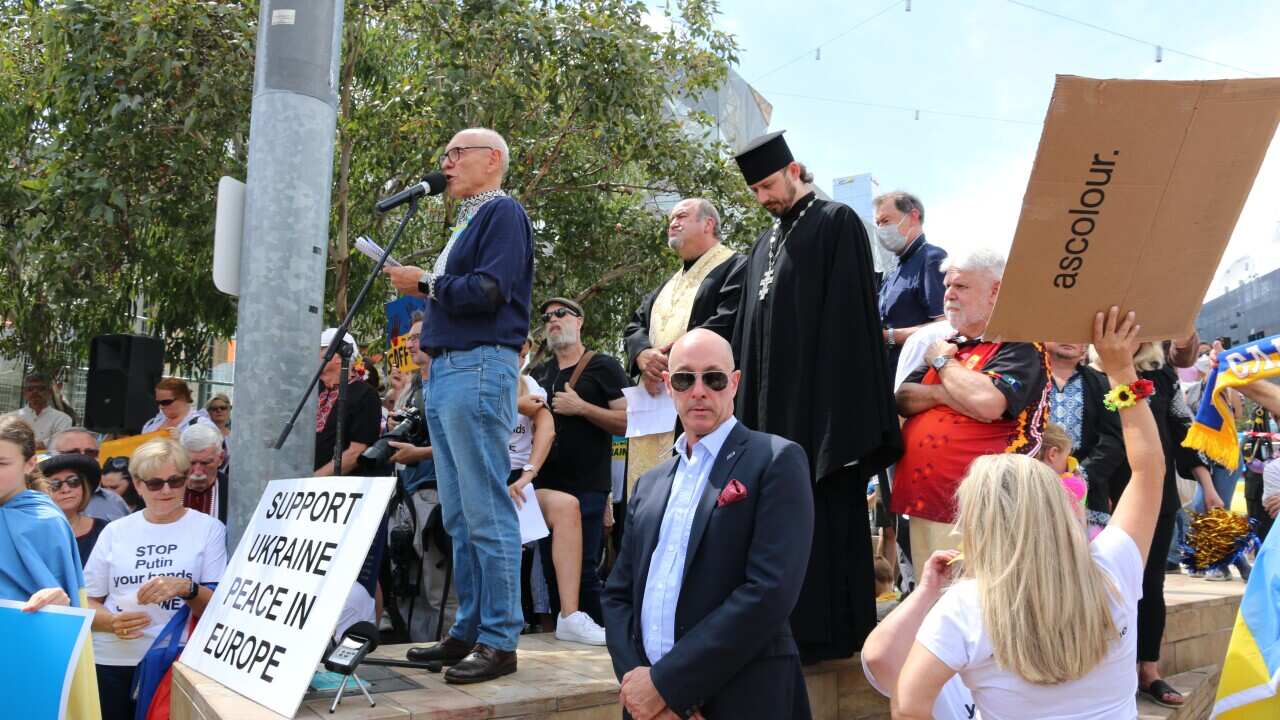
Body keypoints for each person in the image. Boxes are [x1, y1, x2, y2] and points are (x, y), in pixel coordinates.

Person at [895, 308, 1164, 720]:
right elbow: (1148, 470)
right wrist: (1122, 368)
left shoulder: (966, 606)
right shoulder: (1113, 570)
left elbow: (908, 704)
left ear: (978, 525)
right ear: (1058, 503)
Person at [730, 130, 902, 661]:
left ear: (794, 169)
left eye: (767, 185)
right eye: (754, 191)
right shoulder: (764, 243)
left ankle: (829, 634)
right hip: (767, 416)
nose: (764, 198)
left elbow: (850, 325)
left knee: (824, 517)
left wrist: (838, 424)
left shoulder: (835, 222)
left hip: (819, 417)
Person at [603, 329, 815, 719]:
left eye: (713, 378)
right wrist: (642, 691)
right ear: (669, 386)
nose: (699, 390)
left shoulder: (776, 460)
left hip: (741, 700)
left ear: (734, 383)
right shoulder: (648, 484)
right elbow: (617, 596)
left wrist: (667, 686)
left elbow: (769, 592)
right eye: (685, 378)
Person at [385, 127, 533, 684]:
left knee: (485, 507)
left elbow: (490, 289)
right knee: (460, 512)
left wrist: (423, 281)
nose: (445, 163)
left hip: (477, 365)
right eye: (444, 154)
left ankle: (499, 637)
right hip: (450, 369)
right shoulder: (470, 219)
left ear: (491, 159)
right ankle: (469, 629)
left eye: (455, 154)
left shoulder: (503, 213)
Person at [892, 248, 1050, 573]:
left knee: (978, 613)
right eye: (948, 285)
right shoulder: (951, 344)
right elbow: (904, 398)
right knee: (936, 609)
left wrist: (942, 364)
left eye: (961, 287)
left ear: (996, 291)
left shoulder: (1018, 343)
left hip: (985, 511)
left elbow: (989, 403)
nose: (948, 294)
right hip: (928, 505)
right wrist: (946, 393)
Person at [1084, 341, 1209, 708]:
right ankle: (1109, 671)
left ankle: (1149, 671)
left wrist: (1206, 482)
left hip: (1158, 497)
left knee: (1150, 585)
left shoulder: (1162, 376)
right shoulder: (1090, 376)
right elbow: (1095, 439)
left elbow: (1183, 430)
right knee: (1104, 586)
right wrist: (1096, 490)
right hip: (1106, 497)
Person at [85, 437, 226, 720]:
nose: (166, 490)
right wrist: (112, 622)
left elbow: (218, 607)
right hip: (113, 658)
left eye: (175, 481)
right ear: (137, 485)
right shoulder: (115, 531)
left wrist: (186, 588)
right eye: (154, 483)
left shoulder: (208, 528)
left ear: (186, 480)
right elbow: (87, 600)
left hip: (175, 660)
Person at [623, 197, 747, 484]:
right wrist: (642, 355)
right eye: (670, 220)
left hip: (700, 395)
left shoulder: (736, 267)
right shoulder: (668, 285)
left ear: (708, 223)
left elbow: (728, 320)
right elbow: (635, 325)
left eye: (681, 216)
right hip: (654, 404)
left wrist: (672, 359)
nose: (672, 224)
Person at [529, 297, 629, 627]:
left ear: (579, 321)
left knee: (584, 572)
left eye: (561, 314)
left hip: (587, 487)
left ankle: (606, 645)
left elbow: (629, 422)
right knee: (551, 572)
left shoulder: (604, 366)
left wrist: (582, 407)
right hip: (545, 488)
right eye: (547, 318)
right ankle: (564, 642)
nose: (553, 320)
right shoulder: (539, 373)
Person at [506, 338, 606, 644]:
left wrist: (529, 473)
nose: (517, 354)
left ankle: (569, 615)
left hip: (519, 478)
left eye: (520, 349)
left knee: (566, 506)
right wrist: (511, 406)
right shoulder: (476, 381)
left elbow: (546, 428)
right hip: (483, 477)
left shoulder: (530, 384)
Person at [0, 416, 101, 719]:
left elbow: (65, 605)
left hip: (21, 666)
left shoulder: (45, 522)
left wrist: (56, 601)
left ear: (30, 463)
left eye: (2, 463)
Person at [1043, 342, 1128, 535]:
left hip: (1089, 492)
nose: (1068, 338)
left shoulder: (1102, 383)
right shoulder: (1027, 377)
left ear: (1085, 347)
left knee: (1087, 559)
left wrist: (1080, 477)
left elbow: (1114, 439)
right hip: (1029, 485)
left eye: (1076, 333)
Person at [874, 191, 947, 372]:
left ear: (913, 216)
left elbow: (946, 326)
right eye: (878, 223)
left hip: (915, 375)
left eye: (886, 221)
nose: (881, 229)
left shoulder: (932, 259)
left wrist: (888, 336)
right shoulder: (894, 268)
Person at [313, 329, 383, 476]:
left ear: (338, 357)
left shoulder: (366, 395)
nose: (314, 354)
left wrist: (314, 478)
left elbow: (357, 451)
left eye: (320, 349)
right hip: (297, 487)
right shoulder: (313, 389)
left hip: (338, 491)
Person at [40, 453, 109, 566]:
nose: (66, 489)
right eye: (54, 484)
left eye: (73, 481)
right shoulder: (29, 535)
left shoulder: (106, 530)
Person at [49, 426, 131, 521]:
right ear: (51, 457)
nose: (83, 458)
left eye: (90, 453)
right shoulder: (36, 500)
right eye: (73, 453)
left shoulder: (113, 501)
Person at [5, 372, 72, 449]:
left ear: (49, 392)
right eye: (30, 389)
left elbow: (60, 444)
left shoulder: (62, 419)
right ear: (24, 393)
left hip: (50, 461)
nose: (35, 392)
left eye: (41, 389)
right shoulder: (10, 418)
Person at [181, 423, 229, 523]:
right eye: (191, 463)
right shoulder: (160, 489)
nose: (198, 472)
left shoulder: (234, 492)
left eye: (205, 463)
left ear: (221, 458)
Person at [141, 377, 217, 435]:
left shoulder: (202, 425)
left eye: (166, 402)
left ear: (183, 398)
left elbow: (212, 453)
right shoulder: (151, 424)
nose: (161, 406)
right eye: (158, 402)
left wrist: (182, 441)